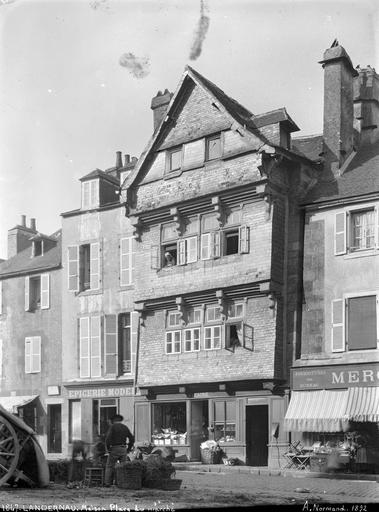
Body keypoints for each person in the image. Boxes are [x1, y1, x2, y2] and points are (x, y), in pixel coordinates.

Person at [104, 414, 134, 486]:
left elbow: (108, 438)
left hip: (114, 448)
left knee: (110, 466)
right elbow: (131, 438)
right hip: (123, 448)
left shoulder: (113, 427)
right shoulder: (125, 427)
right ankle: (121, 482)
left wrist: (108, 449)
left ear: (113, 420)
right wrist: (129, 448)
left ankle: (107, 483)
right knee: (122, 467)